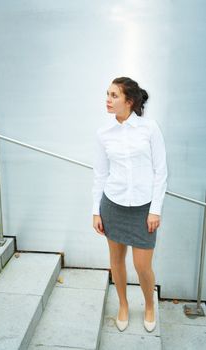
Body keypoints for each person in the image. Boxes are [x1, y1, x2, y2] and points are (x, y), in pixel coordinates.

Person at [92, 77, 168, 333]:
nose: (108, 100)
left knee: (142, 265)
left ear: (129, 101)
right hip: (112, 205)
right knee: (116, 261)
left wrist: (155, 209)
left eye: (114, 95)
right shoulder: (103, 134)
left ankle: (149, 306)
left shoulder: (149, 128)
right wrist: (96, 211)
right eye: (107, 94)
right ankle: (123, 305)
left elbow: (161, 172)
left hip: (144, 209)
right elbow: (100, 174)